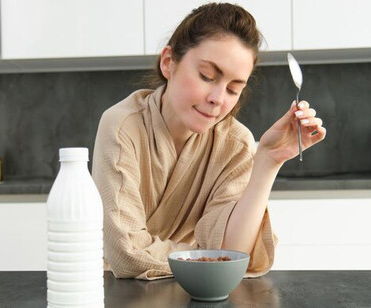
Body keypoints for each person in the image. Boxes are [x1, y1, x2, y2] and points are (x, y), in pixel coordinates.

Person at [92, 2, 326, 280]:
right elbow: (126, 253)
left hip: (200, 289)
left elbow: (234, 254)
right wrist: (207, 256)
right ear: (168, 62)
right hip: (120, 289)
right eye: (207, 76)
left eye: (233, 88)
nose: (218, 98)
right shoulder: (121, 126)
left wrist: (268, 161)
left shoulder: (235, 144)